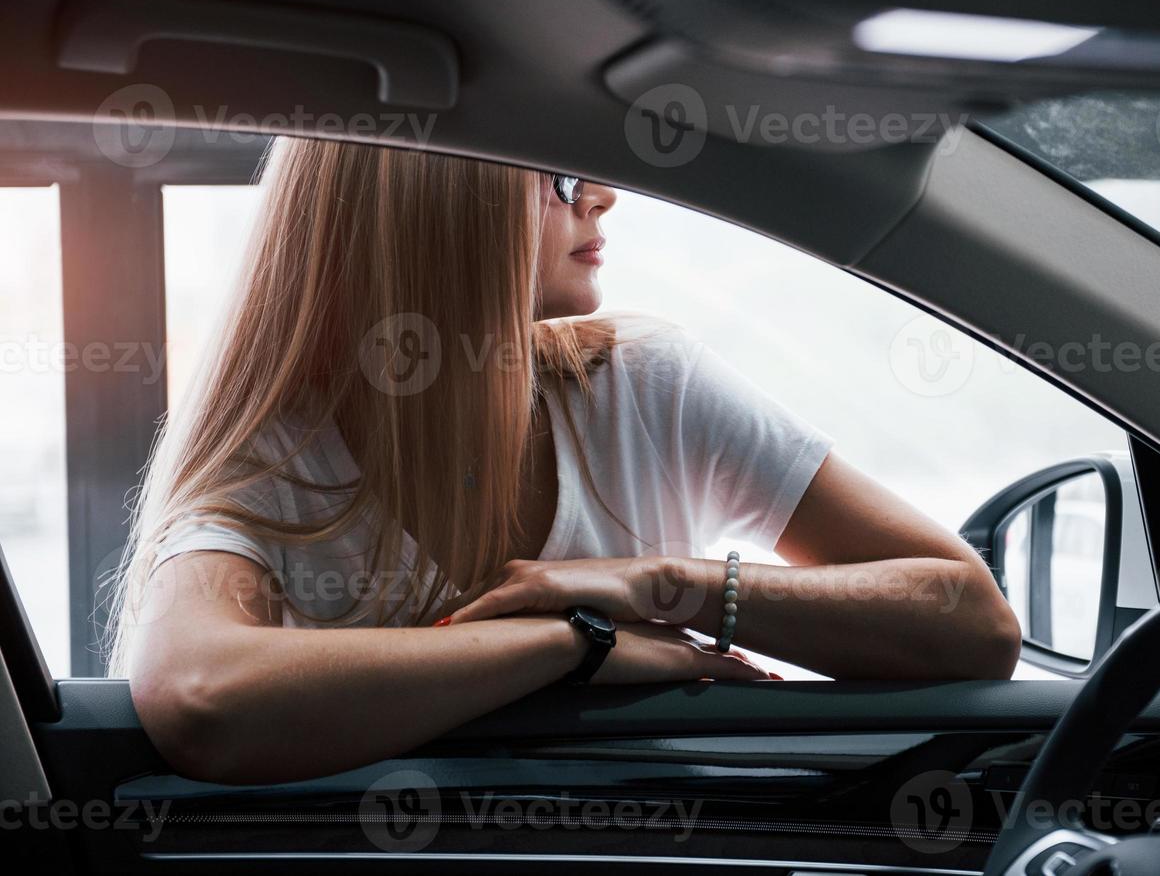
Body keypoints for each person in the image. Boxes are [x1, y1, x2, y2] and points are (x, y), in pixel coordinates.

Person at [110, 138, 1021, 784]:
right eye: (556, 173)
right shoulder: (279, 461)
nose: (603, 195)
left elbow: (971, 621)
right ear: (438, 204)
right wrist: (576, 643)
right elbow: (200, 698)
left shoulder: (644, 383)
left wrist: (659, 583)